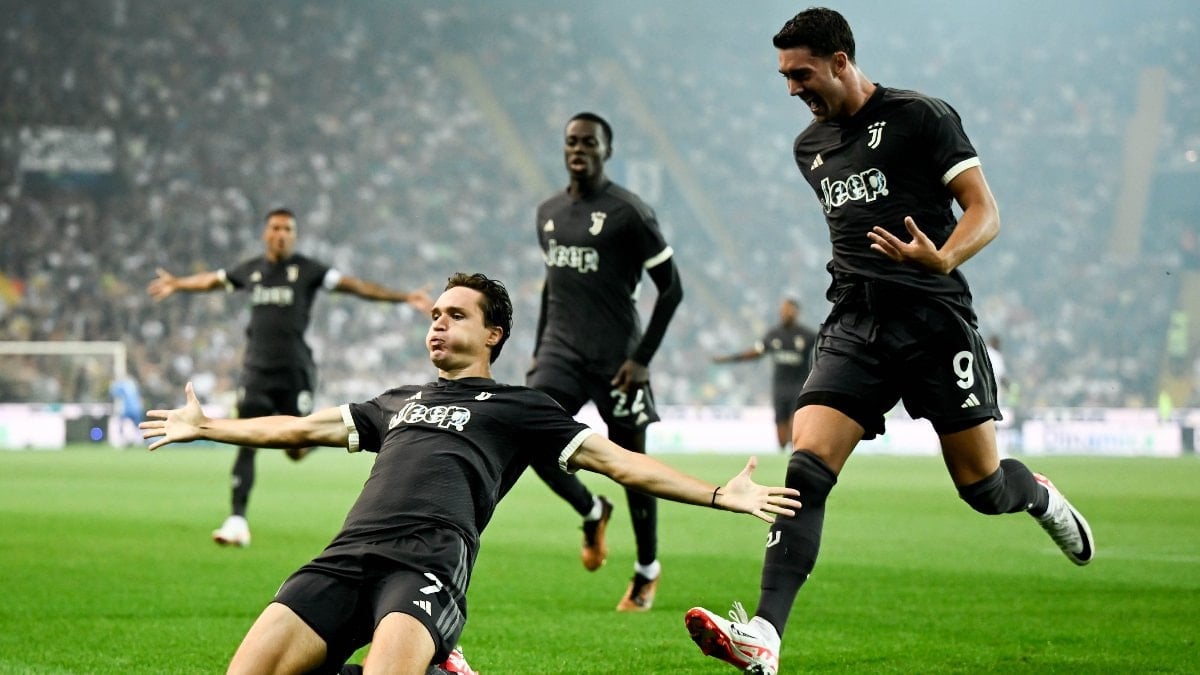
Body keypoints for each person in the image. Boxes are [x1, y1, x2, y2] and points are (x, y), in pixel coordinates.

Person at [684, 9, 1096, 674]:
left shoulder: (920, 116)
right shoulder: (809, 147)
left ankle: (1039, 495)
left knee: (982, 487)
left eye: (802, 74)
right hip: (855, 322)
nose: (791, 88)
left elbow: (985, 210)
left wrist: (943, 256)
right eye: (784, 76)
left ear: (840, 61)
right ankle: (764, 633)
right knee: (806, 468)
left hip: (933, 318)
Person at [140, 272, 799, 675]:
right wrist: (210, 426)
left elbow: (619, 461)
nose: (438, 323)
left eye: (456, 314)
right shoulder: (397, 400)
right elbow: (298, 428)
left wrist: (720, 493)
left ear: (494, 334)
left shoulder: (520, 406)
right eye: (435, 314)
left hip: (425, 565)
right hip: (343, 558)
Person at [147, 207, 433, 547]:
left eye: (287, 229)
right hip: (256, 371)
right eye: (275, 228)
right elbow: (212, 280)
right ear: (265, 233)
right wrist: (178, 284)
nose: (281, 234)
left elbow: (355, 286)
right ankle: (237, 520)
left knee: (295, 449)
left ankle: (319, 439)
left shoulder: (308, 270)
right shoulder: (250, 270)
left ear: (294, 236)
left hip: (295, 371)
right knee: (245, 439)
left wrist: (404, 296)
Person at [525, 112, 684, 611]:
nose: (579, 149)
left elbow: (672, 289)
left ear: (606, 151)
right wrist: (538, 351)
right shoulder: (548, 212)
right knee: (529, 436)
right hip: (561, 353)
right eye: (572, 141)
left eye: (589, 142)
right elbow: (552, 287)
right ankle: (591, 509)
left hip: (618, 360)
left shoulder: (629, 213)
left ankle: (646, 569)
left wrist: (642, 359)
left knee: (632, 469)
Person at [712, 298, 817, 451]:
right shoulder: (774, 334)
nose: (784, 313)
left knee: (795, 429)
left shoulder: (807, 335)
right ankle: (788, 451)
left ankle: (797, 454)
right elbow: (756, 352)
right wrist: (730, 358)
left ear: (796, 312)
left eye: (788, 310)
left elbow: (823, 349)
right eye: (782, 310)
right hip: (779, 389)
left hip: (799, 388)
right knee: (781, 440)